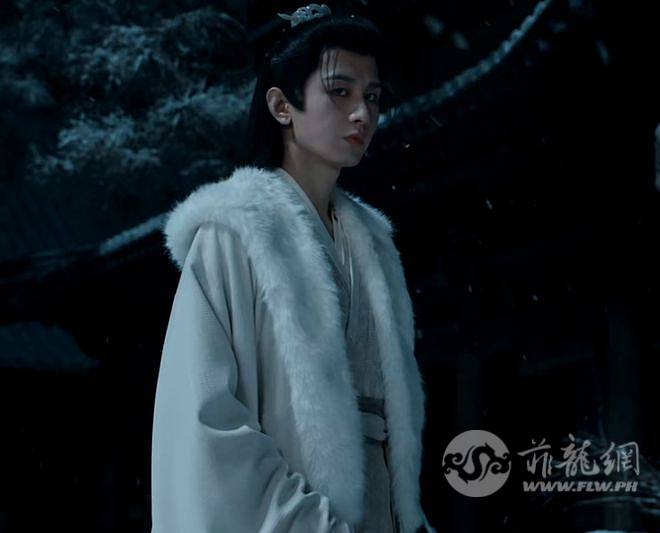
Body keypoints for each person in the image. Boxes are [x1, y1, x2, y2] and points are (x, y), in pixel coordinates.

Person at [151, 4, 435, 532]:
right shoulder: (233, 233)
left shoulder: (374, 246)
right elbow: (206, 417)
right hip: (290, 512)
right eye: (340, 91)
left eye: (373, 96)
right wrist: (308, 521)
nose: (363, 113)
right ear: (282, 105)